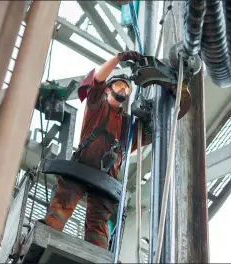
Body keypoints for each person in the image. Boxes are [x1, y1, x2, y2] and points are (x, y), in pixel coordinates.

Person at [43, 51, 152, 249]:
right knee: (62, 204)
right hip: (81, 168)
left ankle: (97, 254)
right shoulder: (97, 108)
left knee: (99, 223)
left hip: (105, 180)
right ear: (109, 90)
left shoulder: (128, 126)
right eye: (119, 85)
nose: (123, 89)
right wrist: (119, 58)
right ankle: (47, 235)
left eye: (126, 88)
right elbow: (98, 79)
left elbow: (151, 133)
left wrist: (150, 115)